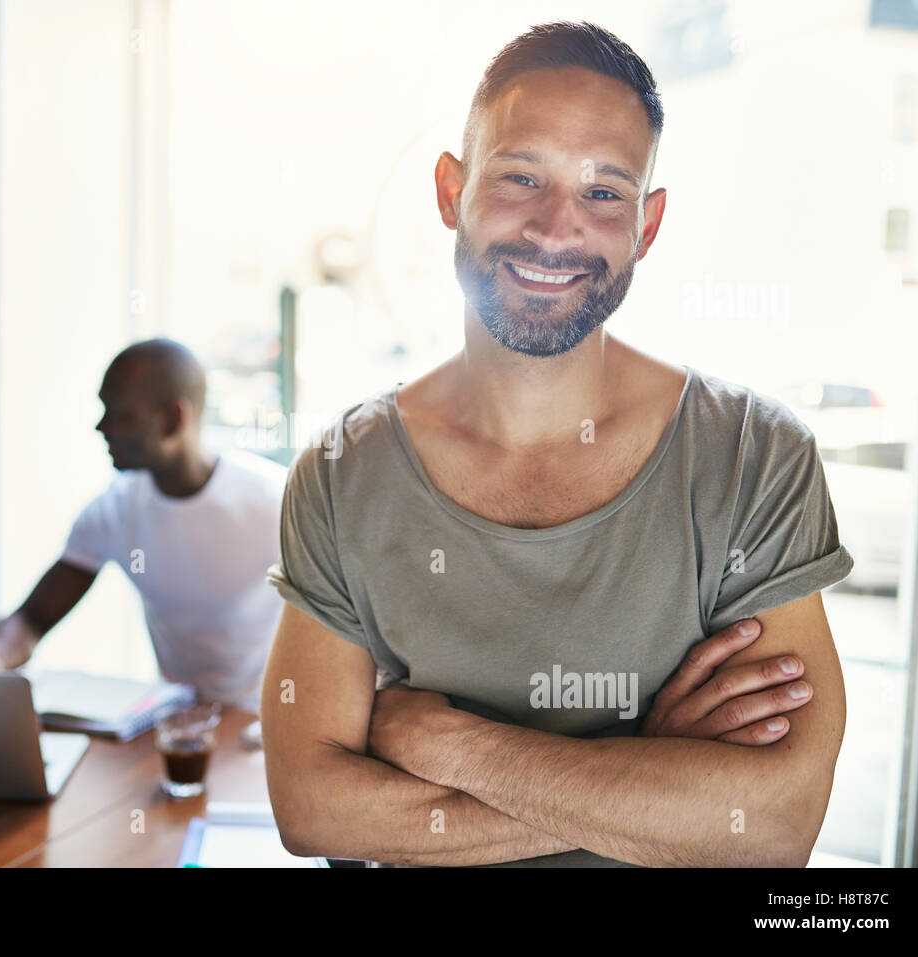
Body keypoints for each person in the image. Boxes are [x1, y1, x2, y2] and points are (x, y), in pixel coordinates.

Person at [263, 21, 853, 867]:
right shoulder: (340, 471)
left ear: (645, 229)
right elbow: (311, 808)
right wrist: (646, 765)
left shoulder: (753, 456)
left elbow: (775, 824)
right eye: (520, 175)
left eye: (604, 193)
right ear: (450, 192)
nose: (554, 227)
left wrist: (447, 744)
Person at [0, 339, 286, 713]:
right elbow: (33, 618)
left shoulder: (277, 504)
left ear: (172, 419)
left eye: (119, 415)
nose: (101, 427)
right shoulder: (115, 509)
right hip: (181, 724)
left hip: (267, 724)